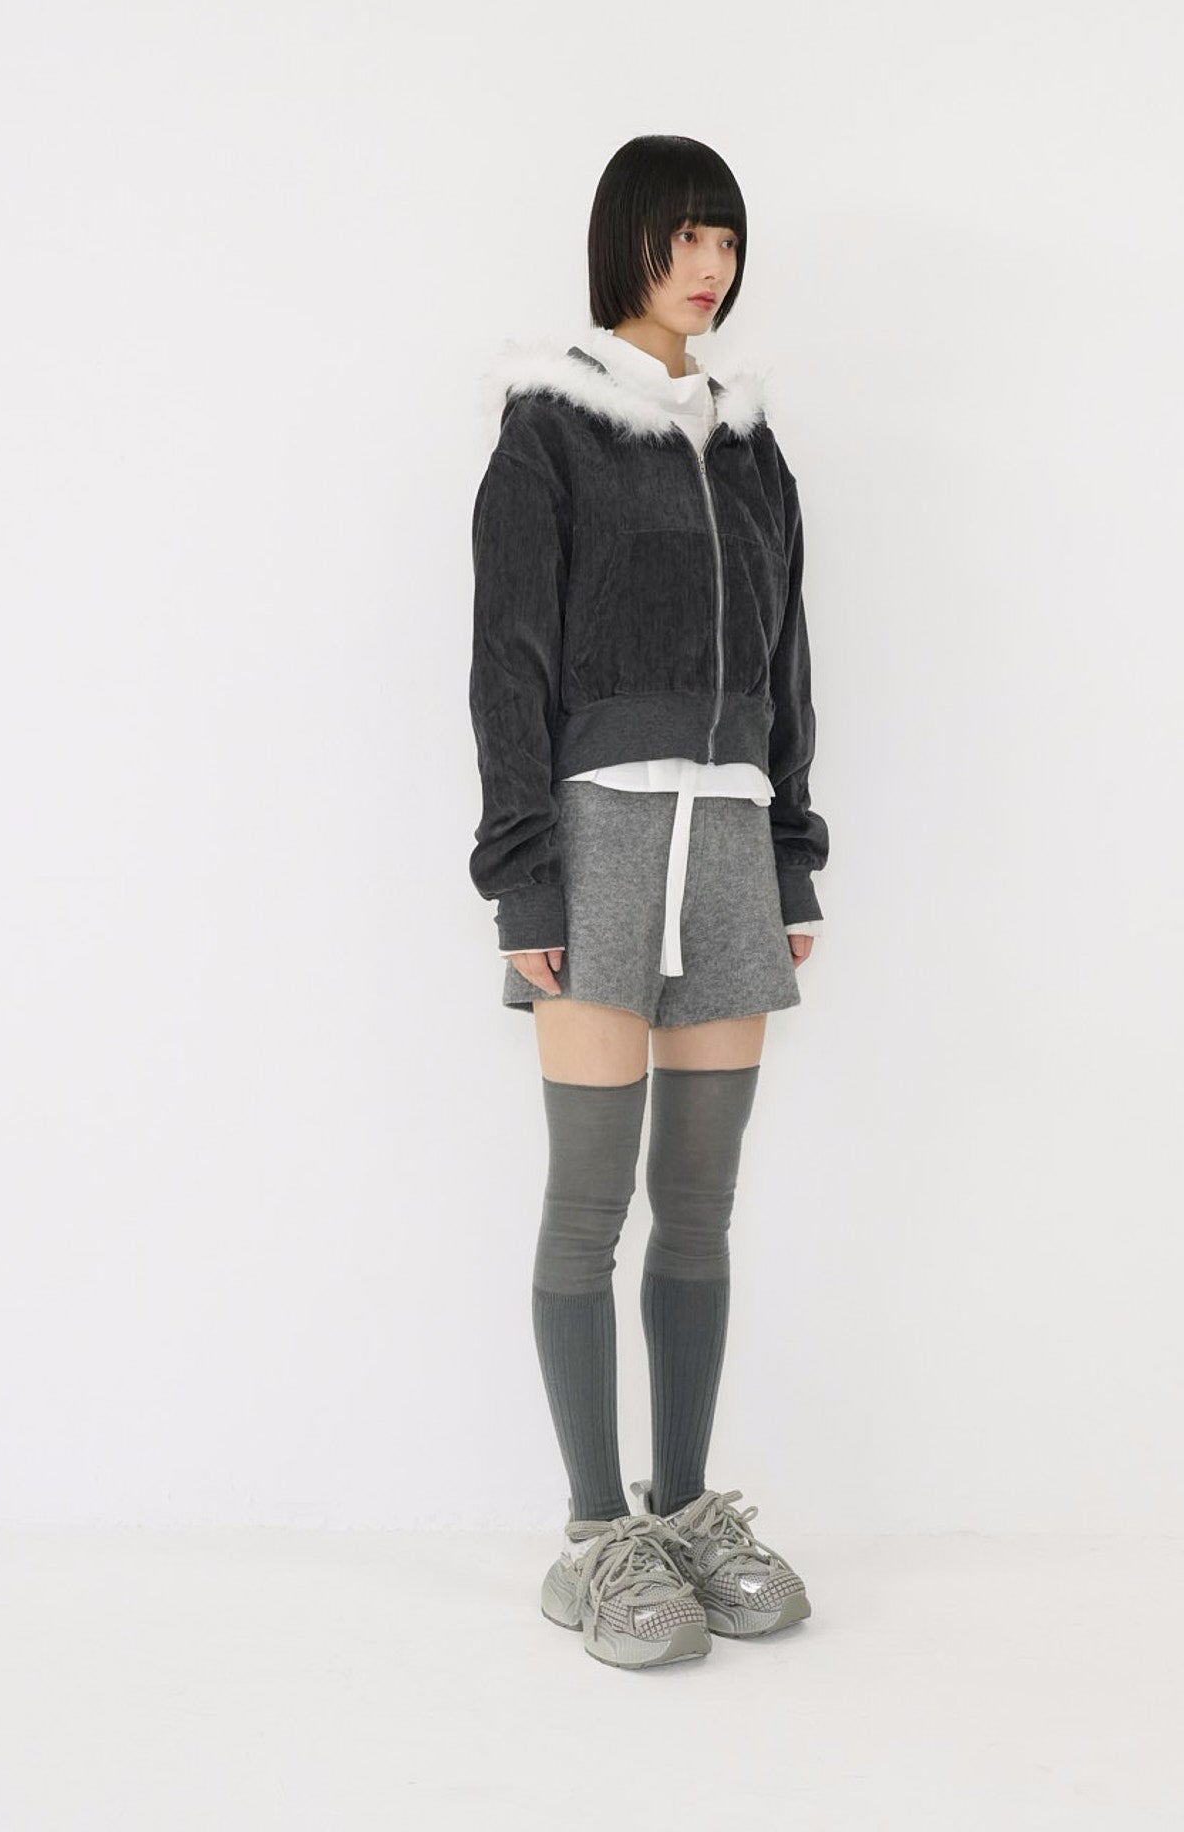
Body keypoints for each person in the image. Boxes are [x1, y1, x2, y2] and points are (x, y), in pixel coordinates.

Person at [468, 134, 829, 1669]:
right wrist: (523, 872)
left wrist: (792, 849)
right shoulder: (553, 423)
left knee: (699, 1202)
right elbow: (508, 661)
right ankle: (592, 1537)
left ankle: (680, 1512)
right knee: (588, 1200)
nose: (709, 267)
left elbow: (790, 652)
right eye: (684, 238)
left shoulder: (748, 443)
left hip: (731, 831)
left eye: (726, 241)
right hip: (601, 831)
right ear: (626, 241)